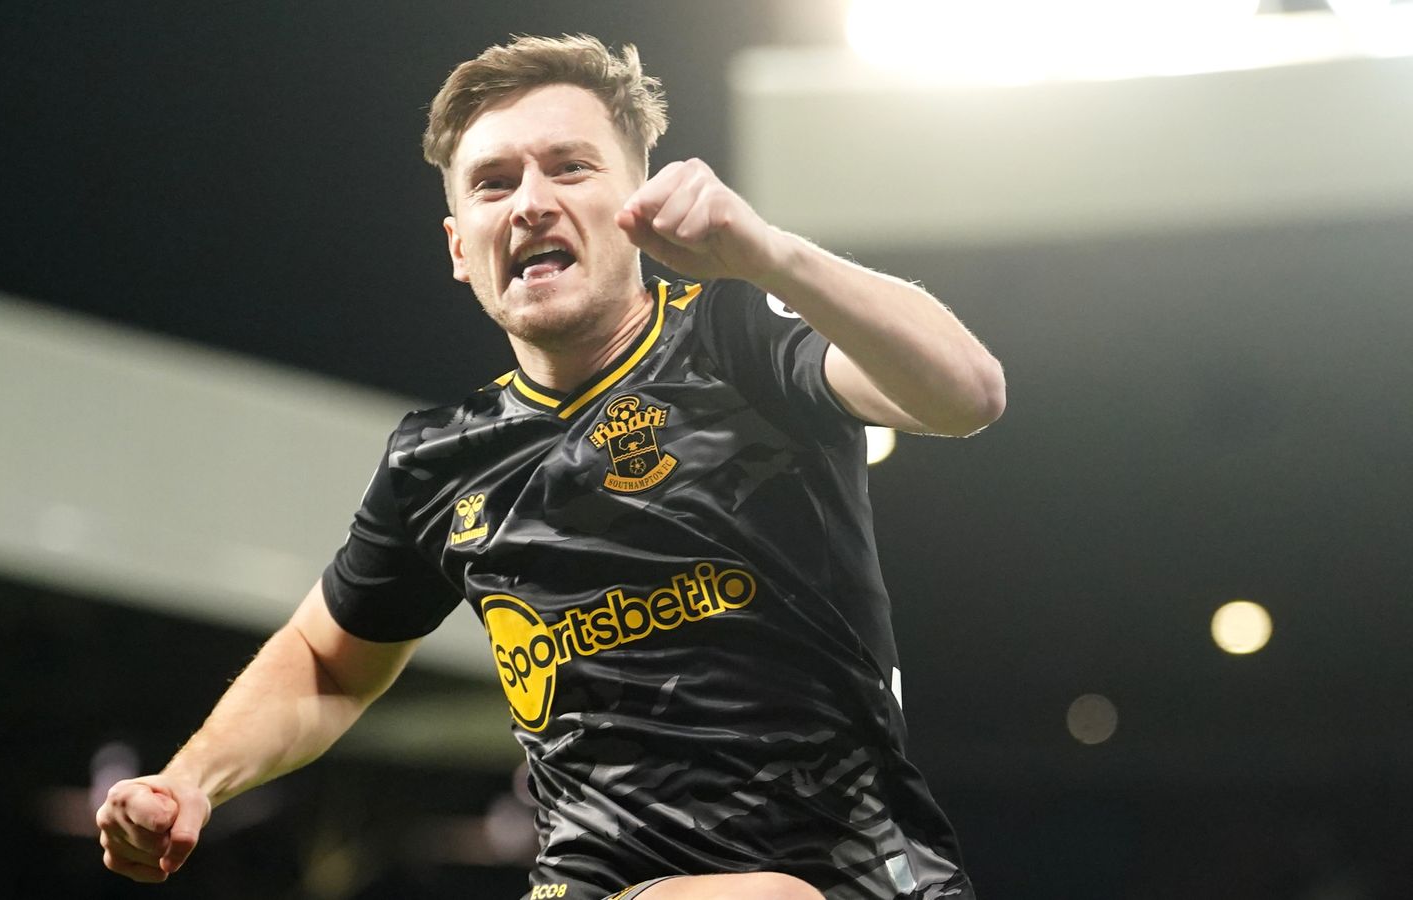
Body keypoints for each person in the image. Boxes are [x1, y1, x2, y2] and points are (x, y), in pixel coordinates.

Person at [97, 34, 1004, 900]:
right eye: (493, 183)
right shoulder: (438, 464)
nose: (529, 202)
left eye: (569, 167)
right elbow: (326, 665)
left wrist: (767, 251)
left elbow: (968, 394)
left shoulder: (738, 341)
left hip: (871, 875)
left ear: (638, 206)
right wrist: (190, 780)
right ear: (461, 248)